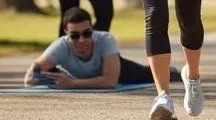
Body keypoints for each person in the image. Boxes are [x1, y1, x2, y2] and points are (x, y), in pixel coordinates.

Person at [23, 7, 180, 89]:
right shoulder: (60, 46)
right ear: (66, 34)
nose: (82, 39)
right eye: (75, 36)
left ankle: (171, 71)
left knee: (154, 74)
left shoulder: (105, 39)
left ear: (92, 29)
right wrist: (40, 76)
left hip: (121, 72)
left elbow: (110, 81)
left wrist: (73, 84)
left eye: (86, 33)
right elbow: (32, 73)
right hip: (90, 78)